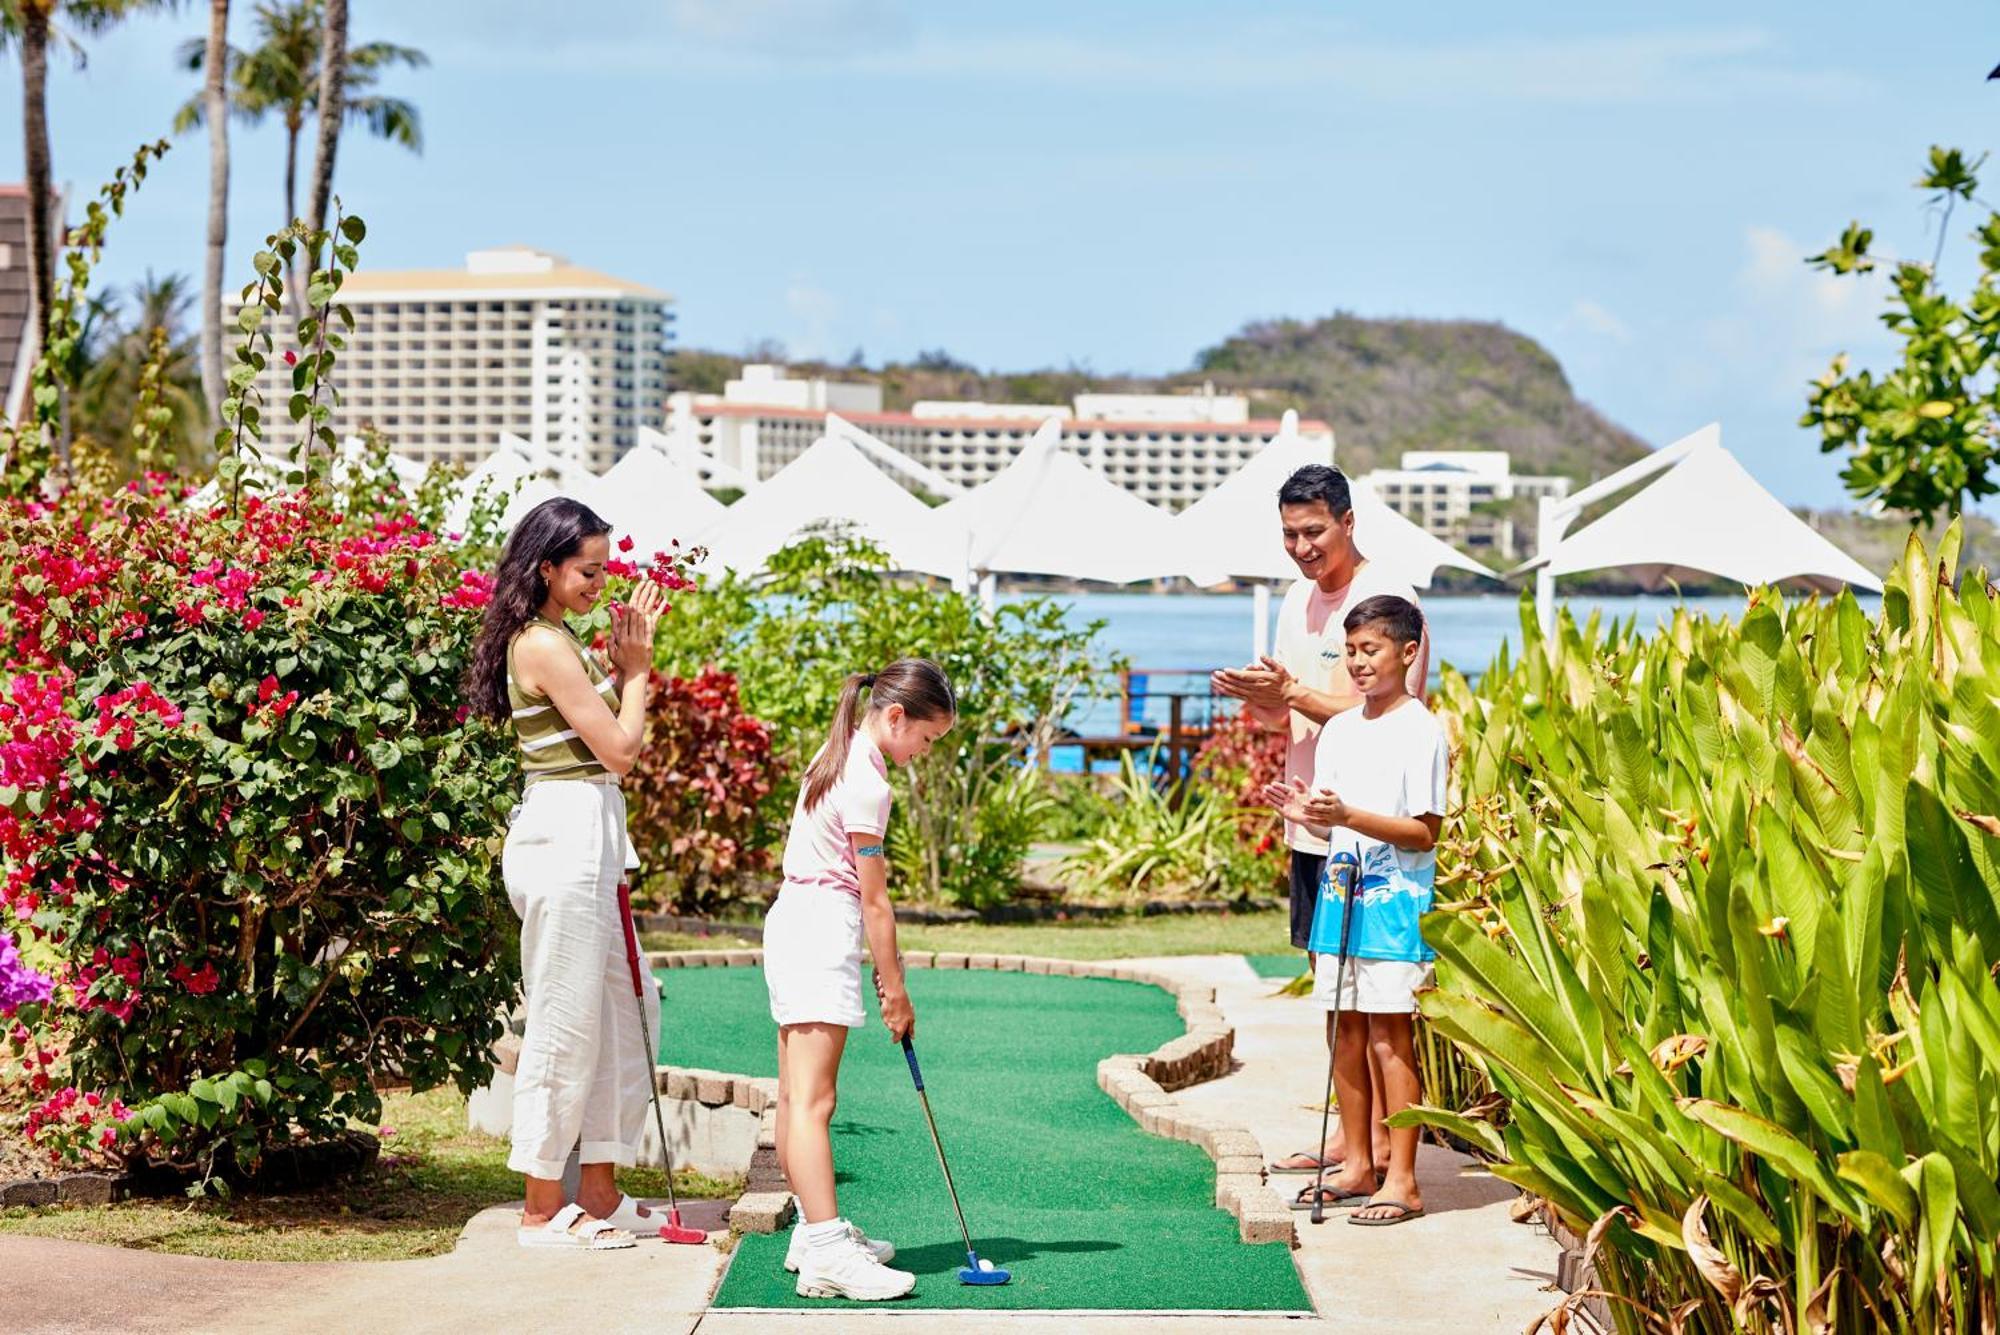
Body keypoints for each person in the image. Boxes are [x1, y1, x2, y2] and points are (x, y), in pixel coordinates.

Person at [1210, 464, 1427, 1179]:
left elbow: (1385, 711)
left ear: (1348, 521)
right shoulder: (1297, 601)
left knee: (1381, 1004)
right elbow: (1290, 708)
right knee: (1333, 991)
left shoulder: (1386, 600)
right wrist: (1261, 697)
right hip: (1313, 826)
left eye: (1313, 531)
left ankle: (1392, 1155)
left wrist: (1297, 690)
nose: (1301, 547)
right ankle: (1351, 1142)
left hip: (1375, 838)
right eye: (1289, 534)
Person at [466, 496, 669, 1251]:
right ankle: (542, 1208)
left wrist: (620, 669)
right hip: (566, 834)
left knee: (629, 1011)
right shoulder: (543, 644)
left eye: (604, 569)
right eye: (587, 570)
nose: (599, 583)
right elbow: (620, 749)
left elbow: (597, 741)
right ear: (545, 566)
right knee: (566, 1017)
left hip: (593, 830)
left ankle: (601, 1189)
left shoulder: (561, 639)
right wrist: (638, 674)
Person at [767, 659, 957, 1301]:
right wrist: (895, 987)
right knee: (815, 1103)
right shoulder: (869, 785)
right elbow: (876, 901)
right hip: (821, 927)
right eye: (926, 740)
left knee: (796, 1097)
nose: (922, 755)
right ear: (896, 716)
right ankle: (825, 1250)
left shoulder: (839, 747)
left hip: (792, 917)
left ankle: (811, 1231)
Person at [1263, 595, 1446, 1226]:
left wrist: (1347, 817)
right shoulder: (1340, 731)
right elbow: (1335, 816)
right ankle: (1357, 1164)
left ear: (1408, 652)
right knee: (1344, 1030)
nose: (1358, 663)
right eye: (1350, 652)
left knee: (1390, 1040)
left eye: (1370, 650)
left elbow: (1425, 833)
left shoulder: (1421, 729)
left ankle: (1403, 1179)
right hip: (1341, 898)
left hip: (1396, 904)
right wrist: (1308, 813)